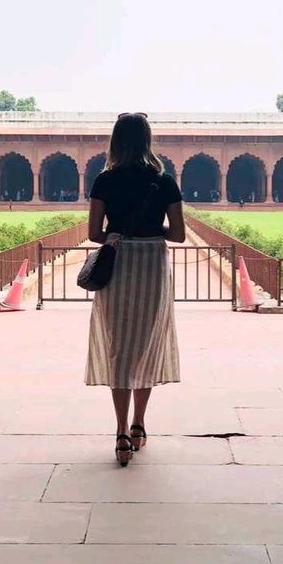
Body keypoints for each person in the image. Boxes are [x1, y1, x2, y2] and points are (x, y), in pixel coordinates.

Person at [85, 112, 186, 466]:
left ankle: (120, 432)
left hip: (119, 264)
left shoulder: (104, 180)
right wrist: (150, 231)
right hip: (152, 267)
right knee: (146, 346)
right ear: (148, 140)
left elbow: (94, 233)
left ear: (115, 140)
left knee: (119, 347)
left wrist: (119, 234)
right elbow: (178, 235)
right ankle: (140, 424)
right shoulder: (164, 181)